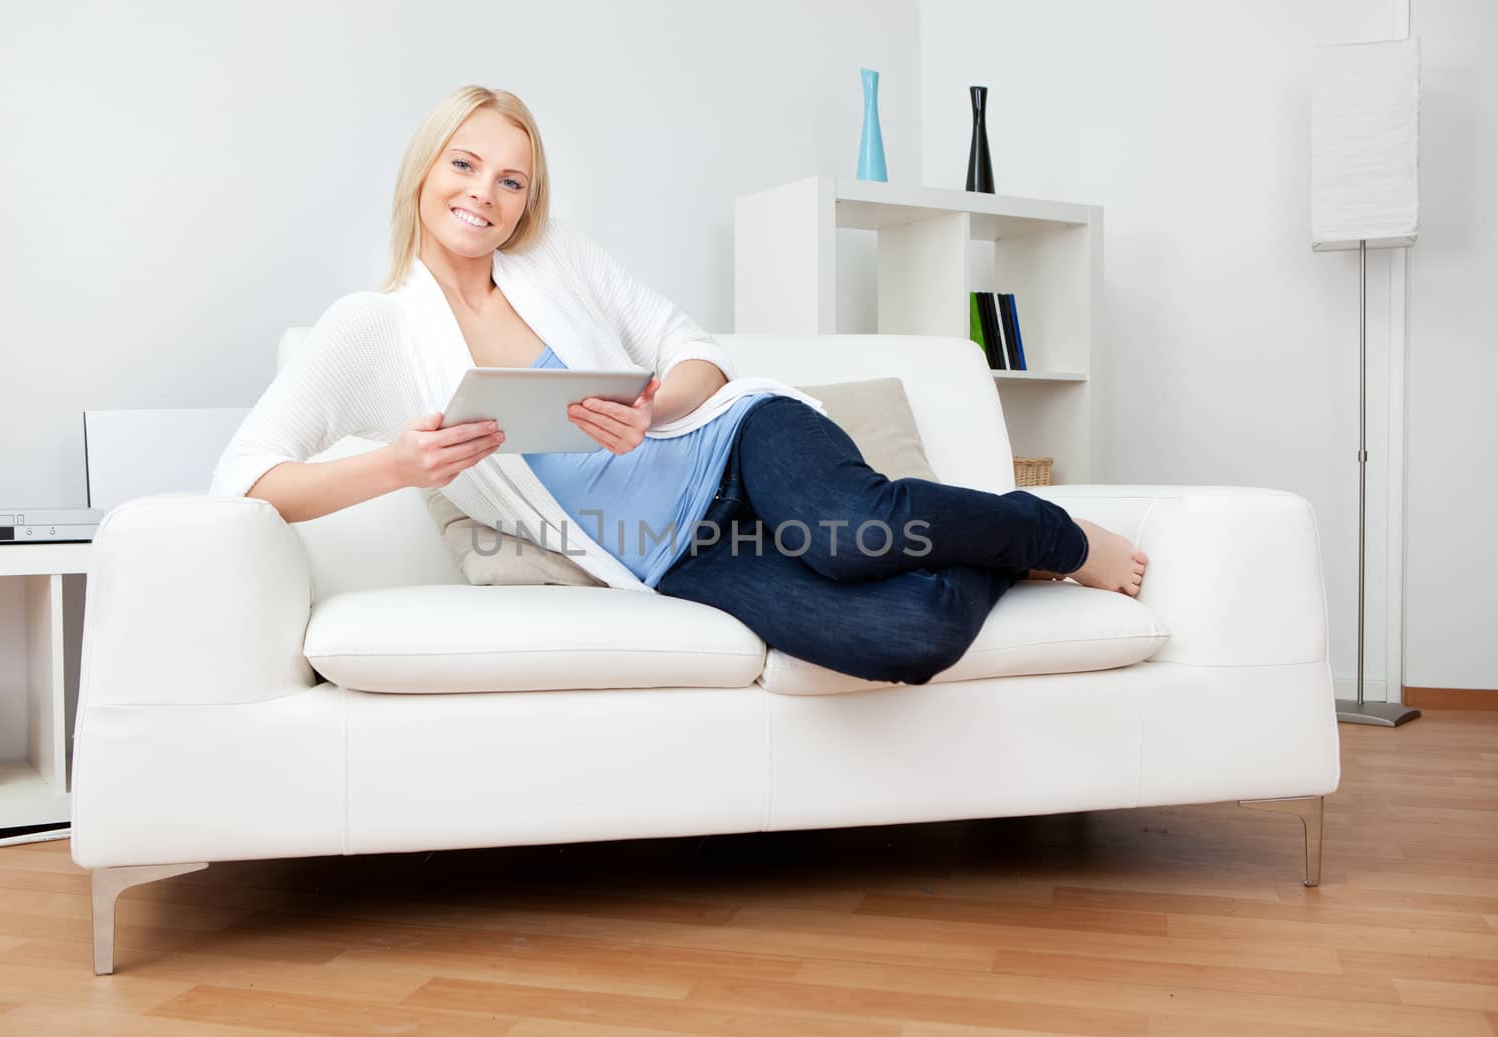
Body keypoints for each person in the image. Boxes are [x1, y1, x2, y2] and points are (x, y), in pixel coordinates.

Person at [211, 84, 1147, 686]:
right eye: (465, 166)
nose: (484, 196)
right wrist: (399, 466)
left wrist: (653, 406)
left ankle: (1047, 529)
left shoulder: (559, 258)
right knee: (903, 636)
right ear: (424, 172)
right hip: (670, 552)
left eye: (510, 181)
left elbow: (694, 350)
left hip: (738, 442)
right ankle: (996, 545)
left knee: (850, 534)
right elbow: (247, 480)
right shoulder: (367, 329)